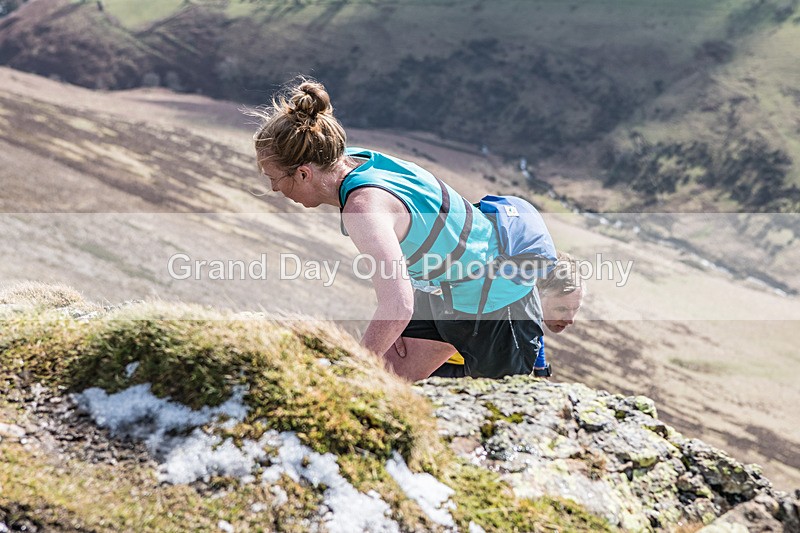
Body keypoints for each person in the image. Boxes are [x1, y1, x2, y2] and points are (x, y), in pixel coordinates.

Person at [250, 77, 558, 381]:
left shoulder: (363, 209)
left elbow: (397, 306)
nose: (275, 188)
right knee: (391, 375)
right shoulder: (357, 160)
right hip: (446, 287)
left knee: (499, 408)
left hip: (496, 305)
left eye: (274, 178)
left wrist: (351, 373)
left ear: (304, 173)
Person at [432, 251, 585, 378]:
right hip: (447, 364)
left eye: (576, 308)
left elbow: (535, 330)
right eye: (562, 309)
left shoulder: (525, 305)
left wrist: (540, 368)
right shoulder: (505, 299)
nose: (571, 320)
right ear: (537, 293)